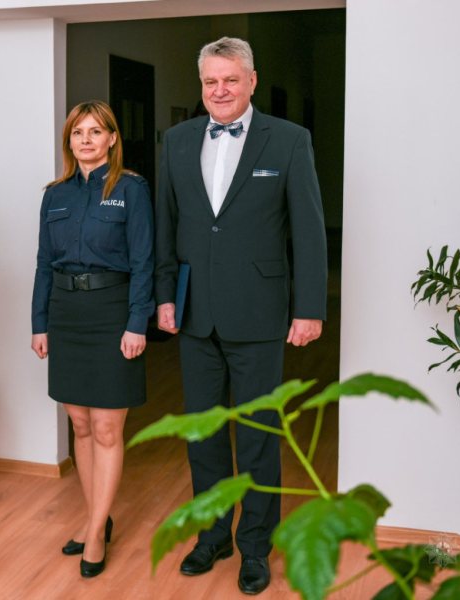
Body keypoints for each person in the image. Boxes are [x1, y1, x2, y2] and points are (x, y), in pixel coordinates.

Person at [155, 37, 328, 595]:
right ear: (201, 84)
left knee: (258, 437)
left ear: (251, 80)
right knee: (202, 436)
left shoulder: (290, 140)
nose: (220, 90)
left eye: (231, 79)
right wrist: (164, 296)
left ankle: (256, 546)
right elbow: (166, 224)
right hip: (194, 314)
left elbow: (309, 230)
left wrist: (309, 308)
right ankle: (213, 536)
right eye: (211, 81)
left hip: (259, 313)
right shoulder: (177, 141)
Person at [30, 101, 153, 578]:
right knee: (80, 425)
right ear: (69, 141)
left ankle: (97, 532)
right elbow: (44, 264)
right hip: (66, 314)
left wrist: (137, 323)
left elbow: (143, 261)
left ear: (112, 139)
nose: (86, 140)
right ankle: (94, 517)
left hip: (112, 313)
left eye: (95, 131)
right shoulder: (55, 195)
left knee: (106, 429)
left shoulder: (131, 189)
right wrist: (40, 323)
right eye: (78, 132)